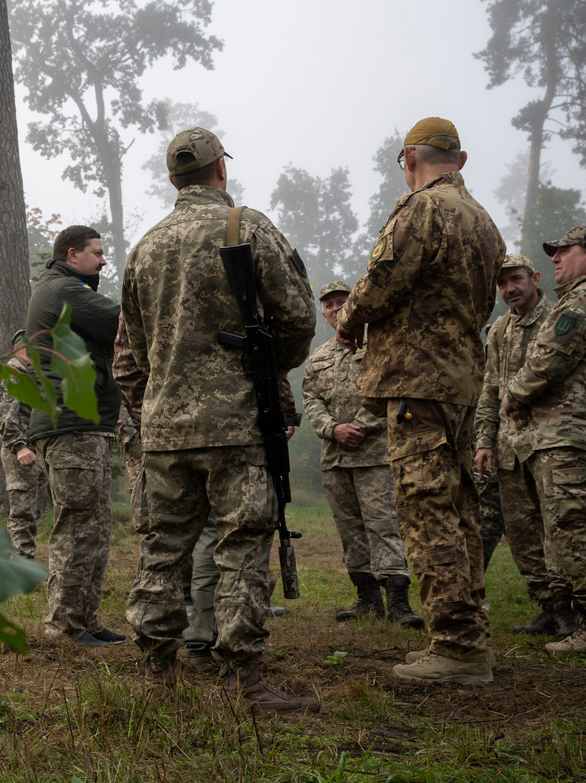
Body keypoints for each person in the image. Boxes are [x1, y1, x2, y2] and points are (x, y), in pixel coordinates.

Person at [123, 127, 317, 711]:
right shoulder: (247, 227)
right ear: (221, 170)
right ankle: (243, 678)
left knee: (163, 548)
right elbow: (299, 317)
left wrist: (164, 393)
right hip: (237, 423)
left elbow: (133, 349)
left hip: (165, 429)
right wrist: (269, 369)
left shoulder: (145, 246)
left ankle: (156, 674)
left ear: (172, 178)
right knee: (241, 545)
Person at [336, 117, 505, 686]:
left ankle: (457, 649)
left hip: (418, 383)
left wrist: (349, 320)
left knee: (425, 509)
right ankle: (470, 638)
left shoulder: (422, 209)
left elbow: (381, 280)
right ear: (461, 159)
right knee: (458, 509)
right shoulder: (485, 222)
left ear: (409, 158)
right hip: (460, 384)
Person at [26, 225, 125, 647]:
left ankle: (85, 619)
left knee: (95, 526)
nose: (103, 260)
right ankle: (65, 626)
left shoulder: (65, 289)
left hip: (85, 426)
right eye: (96, 253)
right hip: (71, 426)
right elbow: (123, 322)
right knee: (77, 526)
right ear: (72, 254)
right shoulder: (64, 289)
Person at [302, 280, 422, 628]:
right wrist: (332, 429)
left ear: (356, 303)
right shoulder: (318, 358)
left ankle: (398, 601)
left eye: (342, 301)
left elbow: (393, 391)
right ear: (323, 313)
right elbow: (311, 399)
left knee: (383, 525)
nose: (335, 309)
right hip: (335, 459)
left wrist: (358, 426)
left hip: (375, 455)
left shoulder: (379, 345)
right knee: (350, 530)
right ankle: (368, 600)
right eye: (328, 305)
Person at [475, 255, 575, 636]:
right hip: (507, 449)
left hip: (549, 441)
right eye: (502, 284)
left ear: (535, 277)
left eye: (516, 279)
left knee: (557, 528)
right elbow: (489, 390)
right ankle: (548, 607)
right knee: (522, 534)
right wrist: (484, 441)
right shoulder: (499, 330)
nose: (509, 289)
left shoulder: (557, 319)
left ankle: (569, 611)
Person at [503, 226, 586, 654]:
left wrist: (515, 395)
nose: (556, 258)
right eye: (553, 253)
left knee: (571, 528)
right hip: (552, 432)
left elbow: (548, 357)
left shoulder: (579, 302)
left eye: (564, 251)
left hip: (565, 432)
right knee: (560, 528)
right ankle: (564, 614)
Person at [0, 329, 47, 560]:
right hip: (20, 451)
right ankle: (20, 565)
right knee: (22, 511)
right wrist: (19, 446)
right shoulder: (12, 373)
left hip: (38, 450)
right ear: (17, 348)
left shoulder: (35, 373)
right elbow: (4, 415)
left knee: (34, 511)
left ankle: (24, 560)